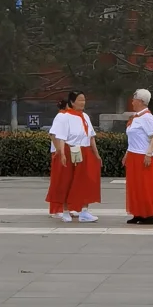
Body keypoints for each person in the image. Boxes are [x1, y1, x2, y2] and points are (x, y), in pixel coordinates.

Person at [48, 91, 102, 223]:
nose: (82, 103)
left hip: (84, 151)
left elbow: (91, 138)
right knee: (67, 181)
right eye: (79, 100)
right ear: (72, 102)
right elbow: (59, 136)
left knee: (85, 182)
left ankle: (84, 211)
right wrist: (61, 153)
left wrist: (97, 155)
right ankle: (65, 210)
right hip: (69, 150)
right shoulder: (64, 117)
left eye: (84, 100)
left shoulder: (85, 117)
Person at [124, 89, 153, 225]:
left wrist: (148, 153)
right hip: (133, 154)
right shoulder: (136, 116)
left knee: (145, 185)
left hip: (142, 155)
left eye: (134, 99)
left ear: (140, 101)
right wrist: (127, 153)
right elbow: (133, 139)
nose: (132, 101)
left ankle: (148, 214)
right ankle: (138, 213)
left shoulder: (147, 117)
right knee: (135, 186)